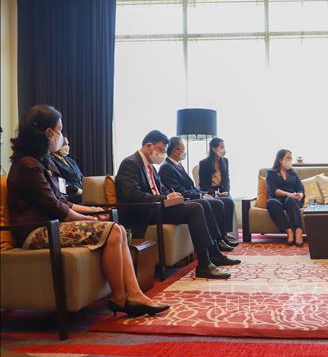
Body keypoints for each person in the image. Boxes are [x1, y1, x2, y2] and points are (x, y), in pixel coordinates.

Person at [7, 105, 169, 317]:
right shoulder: (28, 165)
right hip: (36, 232)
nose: (62, 136)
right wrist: (87, 218)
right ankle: (123, 298)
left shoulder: (40, 162)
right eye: (60, 130)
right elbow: (56, 208)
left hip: (52, 226)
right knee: (112, 230)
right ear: (48, 133)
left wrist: (93, 210)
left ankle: (129, 295)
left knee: (116, 228)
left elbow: (61, 200)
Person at [115, 130, 240, 280]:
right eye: (161, 150)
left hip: (157, 207)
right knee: (196, 208)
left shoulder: (150, 167)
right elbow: (132, 195)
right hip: (144, 211)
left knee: (203, 203)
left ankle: (215, 253)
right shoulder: (130, 163)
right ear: (149, 146)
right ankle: (204, 264)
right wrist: (164, 198)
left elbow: (162, 189)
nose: (162, 154)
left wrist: (173, 196)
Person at [159, 137, 238, 250]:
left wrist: (201, 194)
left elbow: (191, 187)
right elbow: (179, 191)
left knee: (220, 202)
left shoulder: (177, 165)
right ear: (175, 150)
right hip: (185, 199)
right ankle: (216, 242)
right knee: (216, 203)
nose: (184, 152)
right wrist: (201, 195)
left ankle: (221, 239)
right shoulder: (166, 167)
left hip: (194, 194)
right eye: (183, 149)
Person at [266, 149, 305, 246]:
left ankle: (298, 230)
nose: (290, 160)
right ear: (280, 160)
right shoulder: (271, 173)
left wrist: (300, 194)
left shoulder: (293, 173)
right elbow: (273, 189)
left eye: (291, 158)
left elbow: (300, 188)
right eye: (287, 158)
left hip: (291, 200)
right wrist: (288, 193)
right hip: (277, 198)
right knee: (271, 203)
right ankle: (288, 230)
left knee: (291, 200)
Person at [50, 136, 84, 204]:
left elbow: (82, 177)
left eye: (67, 144)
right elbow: (58, 181)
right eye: (64, 144)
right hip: (69, 194)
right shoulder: (51, 161)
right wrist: (77, 190)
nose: (67, 147)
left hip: (82, 191)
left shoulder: (71, 161)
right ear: (57, 145)